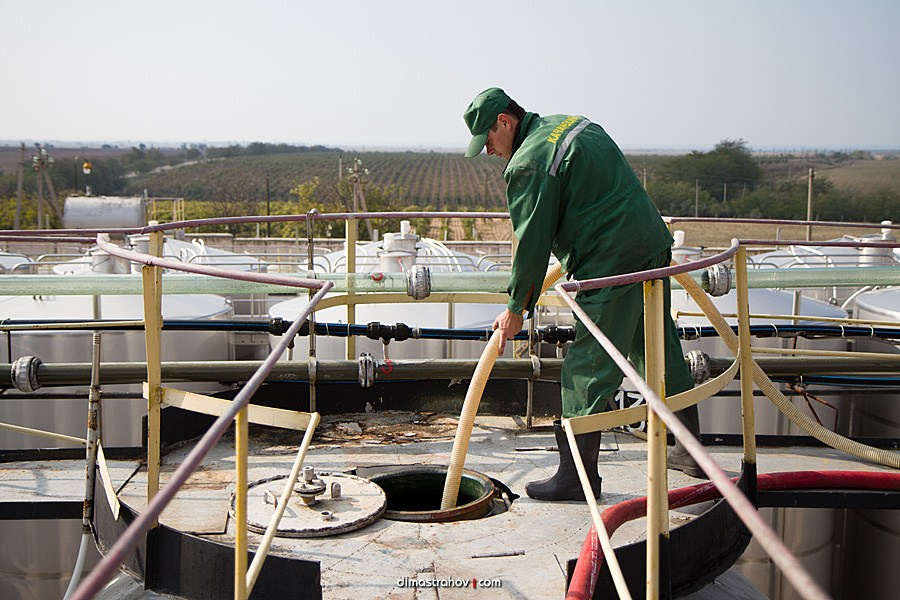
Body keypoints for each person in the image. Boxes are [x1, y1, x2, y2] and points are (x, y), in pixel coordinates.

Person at [462, 87, 704, 502]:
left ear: (505, 121)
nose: (488, 150)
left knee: (587, 365)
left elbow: (532, 241)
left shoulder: (529, 162)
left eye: (487, 139)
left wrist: (516, 307)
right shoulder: (570, 124)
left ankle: (577, 477)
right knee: (655, 346)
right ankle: (691, 452)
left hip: (610, 261)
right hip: (649, 243)